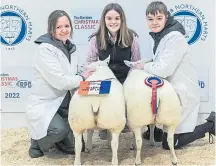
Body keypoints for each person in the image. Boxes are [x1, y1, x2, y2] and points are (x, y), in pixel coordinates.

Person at [137, 1, 215, 149]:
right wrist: (145, 62)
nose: (154, 23)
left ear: (166, 17)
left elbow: (164, 69)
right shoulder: (160, 35)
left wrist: (143, 66)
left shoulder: (175, 37)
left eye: (159, 18)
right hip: (170, 93)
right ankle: (159, 131)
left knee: (170, 144)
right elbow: (160, 59)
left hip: (183, 94)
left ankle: (210, 125)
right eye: (150, 19)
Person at [25, 10, 94, 158]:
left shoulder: (71, 48)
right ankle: (37, 141)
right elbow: (60, 82)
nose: (64, 30)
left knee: (76, 148)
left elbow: (75, 71)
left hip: (65, 104)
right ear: (51, 29)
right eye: (58, 27)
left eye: (67, 26)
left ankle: (59, 137)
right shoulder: (45, 50)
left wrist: (90, 70)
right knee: (58, 131)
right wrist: (82, 76)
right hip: (46, 104)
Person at [87, 3, 141, 139]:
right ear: (104, 20)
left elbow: (136, 63)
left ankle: (128, 121)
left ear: (122, 19)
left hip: (125, 79)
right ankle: (103, 124)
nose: (113, 22)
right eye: (109, 18)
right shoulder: (95, 38)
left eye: (117, 18)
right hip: (105, 81)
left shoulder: (132, 37)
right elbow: (90, 62)